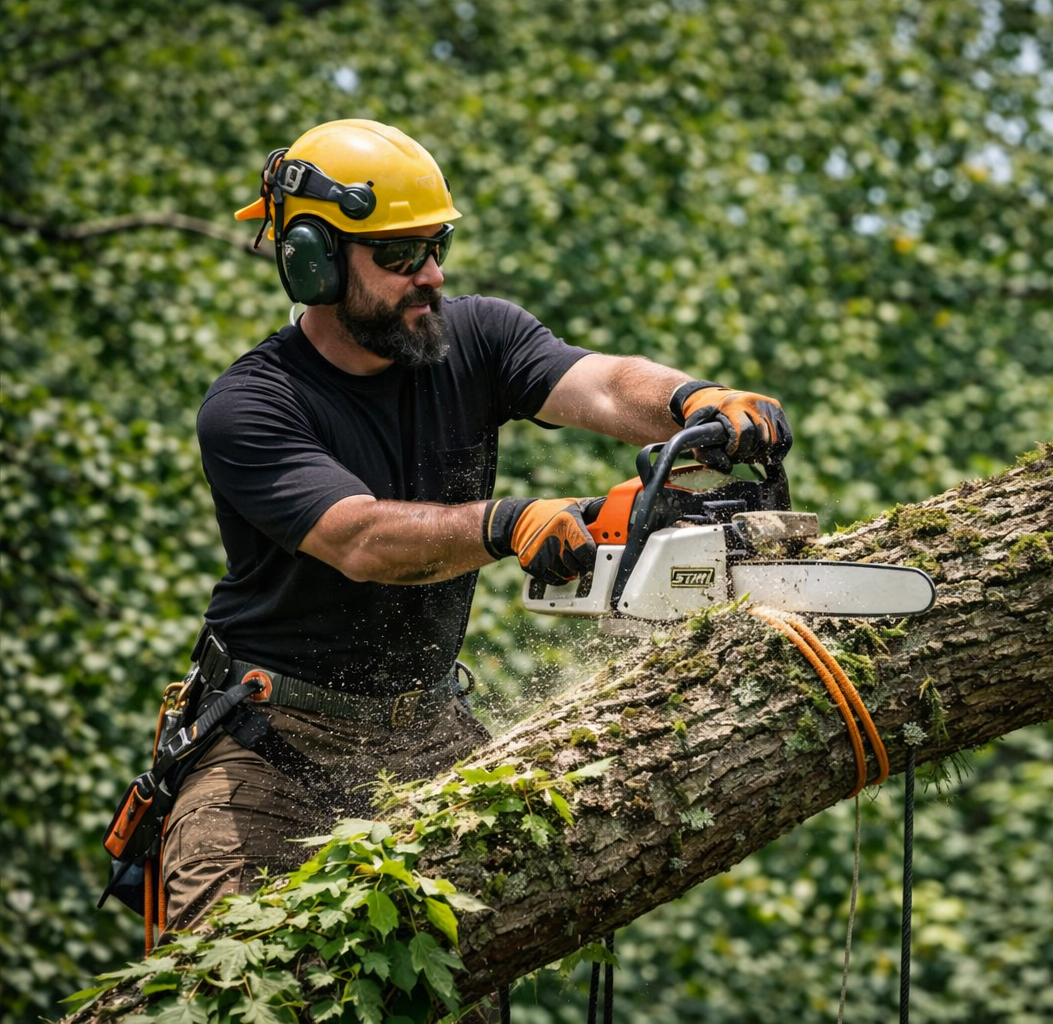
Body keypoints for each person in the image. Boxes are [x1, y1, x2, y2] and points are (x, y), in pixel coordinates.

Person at [158, 118, 792, 932]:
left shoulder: (476, 335)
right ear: (311, 261)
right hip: (272, 755)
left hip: (427, 731)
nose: (429, 274)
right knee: (232, 987)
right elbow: (360, 540)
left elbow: (598, 384)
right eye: (397, 256)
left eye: (436, 245)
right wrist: (508, 522)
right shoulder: (252, 406)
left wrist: (692, 401)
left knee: (462, 982)